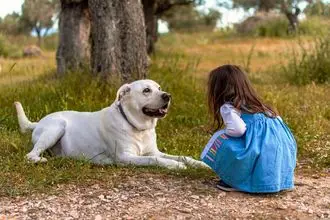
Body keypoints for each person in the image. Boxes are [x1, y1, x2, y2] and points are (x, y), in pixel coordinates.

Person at [201, 65, 297, 193]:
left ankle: (235, 180)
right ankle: (277, 179)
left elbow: (238, 130)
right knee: (262, 147)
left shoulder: (228, 107)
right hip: (282, 149)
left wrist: (225, 132)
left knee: (220, 139)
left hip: (260, 149)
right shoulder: (261, 106)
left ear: (218, 90)